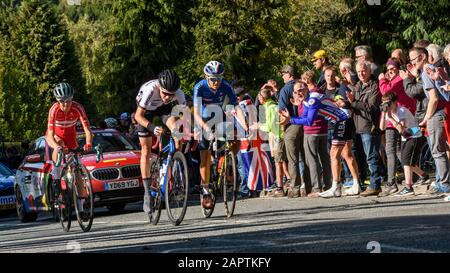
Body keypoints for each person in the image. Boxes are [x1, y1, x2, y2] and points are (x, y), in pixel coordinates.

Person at [280, 83, 362, 198]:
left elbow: (309, 121)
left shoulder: (312, 100)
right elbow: (303, 117)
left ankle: (335, 187)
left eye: (301, 90)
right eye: (296, 92)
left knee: (334, 155)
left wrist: (290, 120)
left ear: (307, 89)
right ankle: (356, 184)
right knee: (347, 154)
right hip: (344, 119)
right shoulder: (307, 100)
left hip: (342, 120)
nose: (299, 93)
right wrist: (292, 116)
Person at [193, 61, 247, 208]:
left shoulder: (226, 86)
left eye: (219, 79)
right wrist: (205, 128)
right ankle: (205, 190)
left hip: (219, 117)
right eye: (212, 79)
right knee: (204, 156)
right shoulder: (200, 87)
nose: (216, 82)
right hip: (202, 120)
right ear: (206, 77)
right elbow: (196, 114)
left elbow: (236, 106)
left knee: (236, 136)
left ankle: (228, 161)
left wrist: (245, 126)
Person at [134, 69, 186, 213]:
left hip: (163, 110)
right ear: (159, 88)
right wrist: (152, 127)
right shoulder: (151, 89)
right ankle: (146, 193)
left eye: (171, 94)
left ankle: (175, 161)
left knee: (176, 129)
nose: (168, 97)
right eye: (165, 94)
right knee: (146, 150)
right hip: (145, 112)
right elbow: (138, 116)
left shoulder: (178, 93)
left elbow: (185, 115)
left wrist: (183, 131)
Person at [46, 82, 93, 205]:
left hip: (71, 137)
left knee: (77, 168)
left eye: (69, 100)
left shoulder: (78, 108)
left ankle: (81, 207)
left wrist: (88, 143)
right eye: (62, 101)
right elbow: (50, 135)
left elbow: (87, 130)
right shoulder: (54, 110)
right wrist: (57, 146)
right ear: (57, 100)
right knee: (59, 144)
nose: (66, 104)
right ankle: (56, 179)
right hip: (55, 136)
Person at [378, 58, 418, 196]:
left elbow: (385, 91)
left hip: (405, 122)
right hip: (397, 123)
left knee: (395, 152)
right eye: (388, 69)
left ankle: (393, 183)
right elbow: (381, 127)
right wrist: (385, 115)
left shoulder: (399, 80)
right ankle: (418, 176)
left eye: (393, 68)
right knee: (397, 152)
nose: (390, 71)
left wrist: (382, 80)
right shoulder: (394, 80)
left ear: (398, 68)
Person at [346, 61, 384, 196]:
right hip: (359, 126)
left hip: (370, 126)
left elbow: (372, 107)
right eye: (359, 71)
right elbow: (352, 102)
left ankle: (375, 185)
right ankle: (368, 183)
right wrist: (345, 103)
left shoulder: (374, 86)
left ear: (369, 71)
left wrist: (353, 102)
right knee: (365, 157)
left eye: (364, 71)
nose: (361, 74)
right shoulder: (358, 85)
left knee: (372, 157)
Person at [379, 92, 429, 196]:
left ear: (395, 102)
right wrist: (384, 115)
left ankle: (408, 187)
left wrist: (390, 118)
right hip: (407, 137)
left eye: (388, 103)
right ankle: (424, 176)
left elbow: (401, 130)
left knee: (406, 162)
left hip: (415, 135)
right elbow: (382, 128)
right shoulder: (389, 112)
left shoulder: (401, 110)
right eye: (384, 103)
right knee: (409, 162)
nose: (386, 106)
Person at [278, 65, 309, 198]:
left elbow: (282, 112)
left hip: (292, 125)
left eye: (283, 73)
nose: (282, 76)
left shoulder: (285, 89)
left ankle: (295, 188)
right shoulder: (303, 85)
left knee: (293, 159)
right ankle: (309, 186)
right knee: (306, 158)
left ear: (289, 74)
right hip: (306, 123)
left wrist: (282, 127)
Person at [254, 88, 285, 197]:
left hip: (277, 136)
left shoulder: (271, 107)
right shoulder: (265, 107)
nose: (258, 99)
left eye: (258, 97)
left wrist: (258, 126)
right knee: (280, 161)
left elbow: (268, 126)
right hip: (273, 136)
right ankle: (282, 184)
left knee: (278, 162)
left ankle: (280, 187)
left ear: (262, 98)